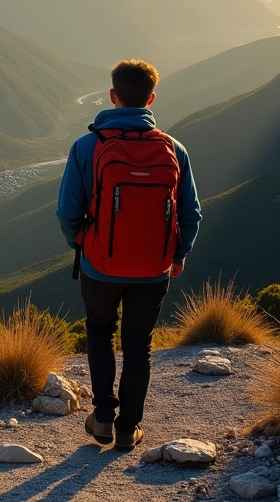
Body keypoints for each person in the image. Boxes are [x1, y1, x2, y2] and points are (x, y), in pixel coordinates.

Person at [57, 59, 201, 450]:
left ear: (112, 96)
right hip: (154, 269)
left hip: (99, 266)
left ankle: (103, 419)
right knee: (139, 346)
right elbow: (191, 213)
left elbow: (67, 212)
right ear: (151, 98)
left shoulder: (87, 146)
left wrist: (83, 242)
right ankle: (128, 428)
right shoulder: (174, 149)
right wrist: (178, 254)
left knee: (100, 333)